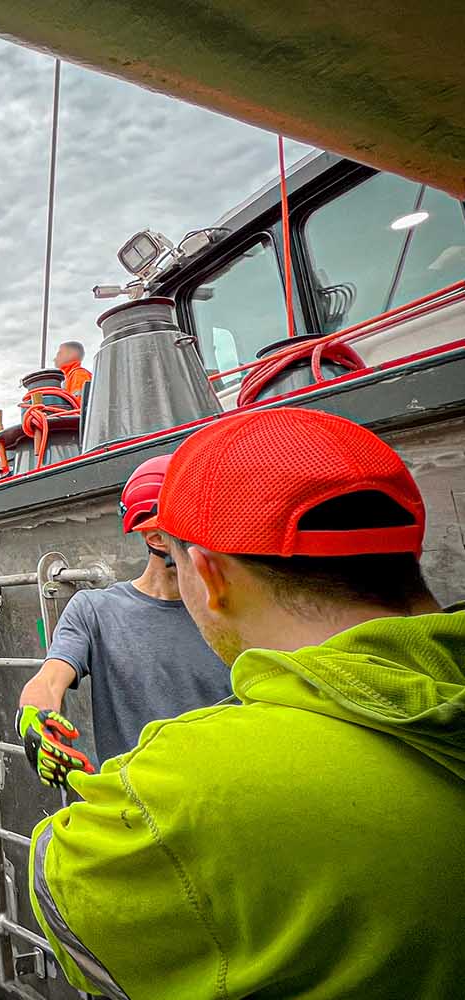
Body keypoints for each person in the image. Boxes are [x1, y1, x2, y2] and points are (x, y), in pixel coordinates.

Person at [28, 408, 465, 999]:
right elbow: (52, 674)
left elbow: (61, 889)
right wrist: (39, 707)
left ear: (208, 573)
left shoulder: (169, 789)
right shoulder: (97, 610)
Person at [16, 454, 231, 779]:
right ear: (156, 537)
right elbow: (48, 680)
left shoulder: (235, 607)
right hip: (136, 814)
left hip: (227, 804)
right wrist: (33, 717)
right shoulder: (95, 611)